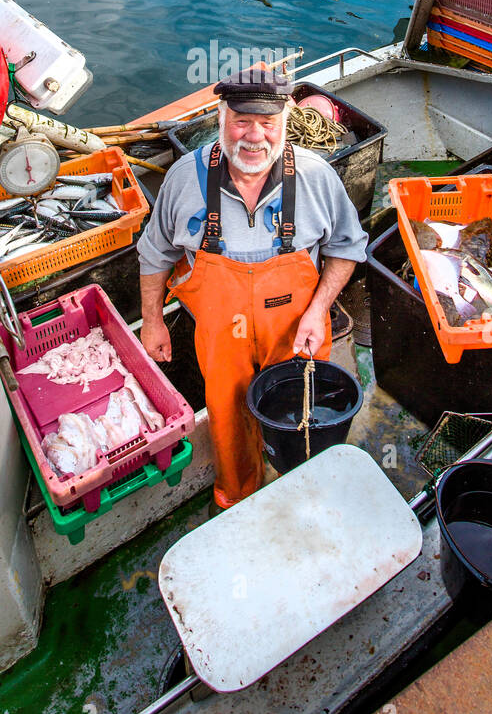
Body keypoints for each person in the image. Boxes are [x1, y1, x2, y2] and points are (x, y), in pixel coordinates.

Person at [137, 69, 368, 512]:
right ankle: (237, 499)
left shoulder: (317, 177)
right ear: (220, 119)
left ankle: (301, 488)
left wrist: (318, 310)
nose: (255, 136)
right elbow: (155, 254)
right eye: (242, 121)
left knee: (303, 414)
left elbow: (346, 247)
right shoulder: (185, 179)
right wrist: (151, 322)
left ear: (285, 123)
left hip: (296, 329)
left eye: (267, 123)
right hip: (222, 334)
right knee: (226, 416)